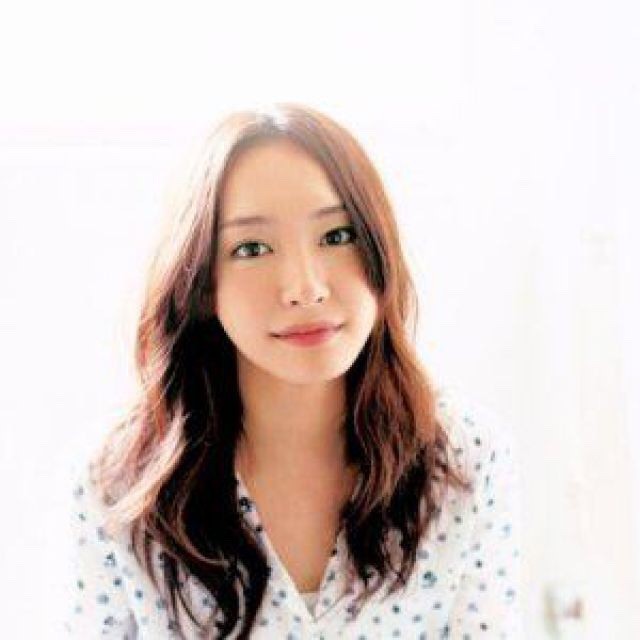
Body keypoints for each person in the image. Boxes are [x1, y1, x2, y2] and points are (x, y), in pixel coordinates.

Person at [62, 102, 525, 638]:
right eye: (252, 248)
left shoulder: (464, 458)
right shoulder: (119, 482)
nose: (305, 288)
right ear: (202, 283)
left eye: (337, 236)